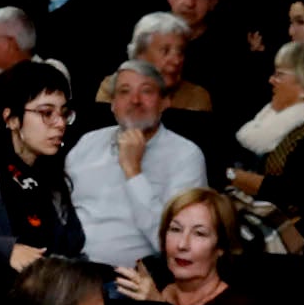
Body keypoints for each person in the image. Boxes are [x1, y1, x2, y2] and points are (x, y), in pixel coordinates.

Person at [71, 60, 212, 271]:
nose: (135, 100)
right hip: (67, 270)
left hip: (127, 281)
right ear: (112, 104)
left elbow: (176, 245)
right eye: (124, 92)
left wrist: (133, 172)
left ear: (164, 102)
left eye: (146, 91)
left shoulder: (186, 156)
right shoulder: (87, 143)